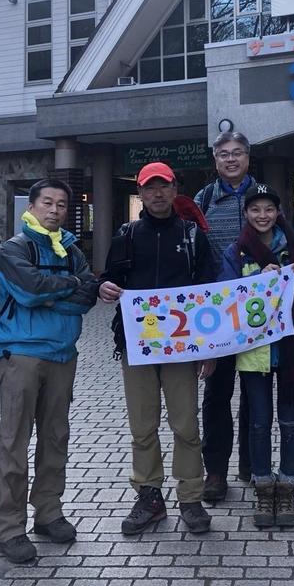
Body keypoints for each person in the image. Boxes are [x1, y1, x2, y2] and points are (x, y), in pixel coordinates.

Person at [98, 161, 216, 536]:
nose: (158, 193)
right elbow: (109, 279)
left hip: (182, 347)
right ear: (141, 193)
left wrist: (209, 349)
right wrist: (104, 288)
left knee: (186, 424)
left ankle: (191, 498)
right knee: (142, 426)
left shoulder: (194, 235)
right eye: (150, 188)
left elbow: (210, 293)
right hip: (137, 346)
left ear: (175, 188)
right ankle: (149, 496)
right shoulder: (127, 234)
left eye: (164, 186)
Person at [0, 177, 99, 564]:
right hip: (20, 355)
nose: (54, 210)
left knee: (55, 438)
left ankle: (48, 513)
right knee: (14, 444)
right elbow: (29, 290)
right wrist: (66, 287)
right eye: (47, 203)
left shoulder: (71, 249)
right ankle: (10, 528)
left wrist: (58, 293)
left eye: (61, 205)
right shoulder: (13, 248)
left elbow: (87, 297)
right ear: (32, 206)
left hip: (62, 355)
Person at [221, 183, 294, 529]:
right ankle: (263, 486)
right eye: (255, 210)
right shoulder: (236, 252)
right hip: (255, 353)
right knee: (259, 421)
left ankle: (288, 486)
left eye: (269, 209)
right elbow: (226, 298)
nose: (262, 216)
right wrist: (255, 285)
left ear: (278, 212)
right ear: (246, 214)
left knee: (290, 420)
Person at [194, 131, 255, 502]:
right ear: (215, 159)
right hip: (216, 313)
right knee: (216, 393)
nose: (230, 159)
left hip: (255, 311)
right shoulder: (203, 199)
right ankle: (215, 471)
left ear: (248, 157)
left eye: (237, 153)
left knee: (256, 389)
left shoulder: (261, 196)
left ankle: (252, 462)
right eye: (223, 154)